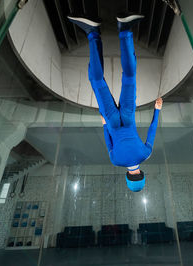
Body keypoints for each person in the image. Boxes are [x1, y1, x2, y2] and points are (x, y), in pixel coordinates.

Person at [68, 13, 163, 192]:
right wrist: (104, 124)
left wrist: (157, 109)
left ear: (141, 173)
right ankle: (92, 32)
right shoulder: (115, 161)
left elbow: (152, 129)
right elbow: (108, 140)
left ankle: (125, 30)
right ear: (128, 176)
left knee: (129, 78)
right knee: (97, 82)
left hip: (128, 116)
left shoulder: (145, 155)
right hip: (111, 121)